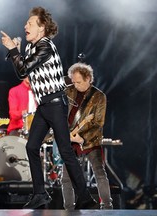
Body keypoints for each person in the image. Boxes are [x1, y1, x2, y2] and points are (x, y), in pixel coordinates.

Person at [1, 6, 96, 209]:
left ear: (42, 28)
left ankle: (85, 197)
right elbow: (22, 69)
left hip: (54, 104)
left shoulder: (45, 46)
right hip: (43, 105)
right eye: (26, 23)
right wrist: (15, 50)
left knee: (65, 150)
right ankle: (40, 194)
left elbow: (22, 70)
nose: (25, 26)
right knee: (31, 147)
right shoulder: (31, 48)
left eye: (30, 23)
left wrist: (12, 50)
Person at [61, 62, 113, 210]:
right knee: (66, 178)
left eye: (79, 82)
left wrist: (82, 138)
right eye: (73, 81)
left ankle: (107, 207)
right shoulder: (69, 91)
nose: (75, 85)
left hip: (90, 140)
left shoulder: (99, 97)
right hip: (70, 138)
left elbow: (98, 123)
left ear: (88, 78)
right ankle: (69, 209)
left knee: (99, 173)